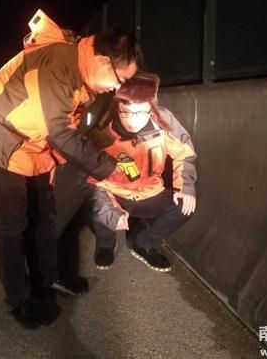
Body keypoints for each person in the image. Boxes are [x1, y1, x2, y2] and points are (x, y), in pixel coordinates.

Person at [0, 9, 141, 328]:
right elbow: (60, 133)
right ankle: (19, 299)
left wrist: (117, 155)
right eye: (120, 80)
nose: (118, 88)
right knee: (11, 226)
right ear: (104, 61)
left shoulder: (84, 73)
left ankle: (47, 279)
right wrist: (109, 170)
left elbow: (77, 129)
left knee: (44, 217)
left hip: (34, 144)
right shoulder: (60, 65)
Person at [84, 71, 197, 272]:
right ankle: (106, 243)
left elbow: (184, 152)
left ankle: (143, 243)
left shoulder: (163, 123)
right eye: (126, 112)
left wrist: (185, 186)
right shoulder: (102, 134)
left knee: (184, 206)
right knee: (98, 211)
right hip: (114, 192)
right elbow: (91, 182)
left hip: (149, 192)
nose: (133, 121)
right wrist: (110, 211)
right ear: (117, 108)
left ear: (151, 109)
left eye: (141, 113)